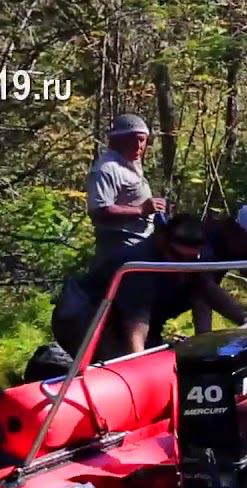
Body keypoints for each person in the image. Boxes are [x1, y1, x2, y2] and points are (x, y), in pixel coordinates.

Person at [82, 113, 167, 355]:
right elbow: (99, 210)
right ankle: (135, 354)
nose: (140, 146)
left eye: (143, 141)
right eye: (135, 140)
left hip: (143, 244)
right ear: (116, 140)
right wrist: (141, 209)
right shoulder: (106, 169)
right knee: (135, 301)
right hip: (120, 248)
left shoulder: (131, 166)